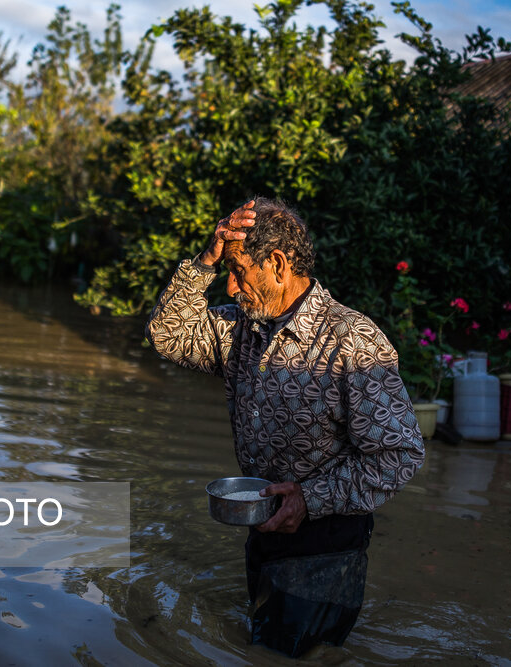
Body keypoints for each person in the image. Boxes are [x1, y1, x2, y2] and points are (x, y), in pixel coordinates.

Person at [145, 197, 425, 657]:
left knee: (285, 657)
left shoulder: (351, 340)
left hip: (325, 549)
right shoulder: (242, 330)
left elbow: (400, 455)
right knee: (264, 648)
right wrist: (205, 262)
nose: (231, 287)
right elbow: (167, 334)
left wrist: (309, 498)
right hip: (265, 530)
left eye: (238, 271)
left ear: (277, 263)